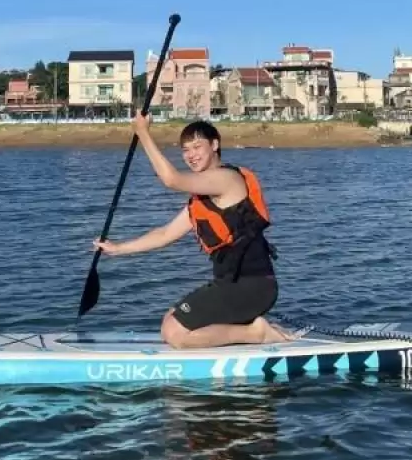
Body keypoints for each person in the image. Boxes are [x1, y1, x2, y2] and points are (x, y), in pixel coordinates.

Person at [93, 114, 294, 349]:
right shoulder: (202, 200)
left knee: (174, 333)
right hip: (231, 284)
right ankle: (244, 329)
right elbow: (165, 234)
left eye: (197, 147)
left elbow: (171, 180)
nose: (191, 155)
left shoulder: (227, 179)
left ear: (215, 145)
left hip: (252, 286)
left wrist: (143, 133)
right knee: (170, 318)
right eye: (186, 150)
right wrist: (117, 248)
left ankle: (257, 333)